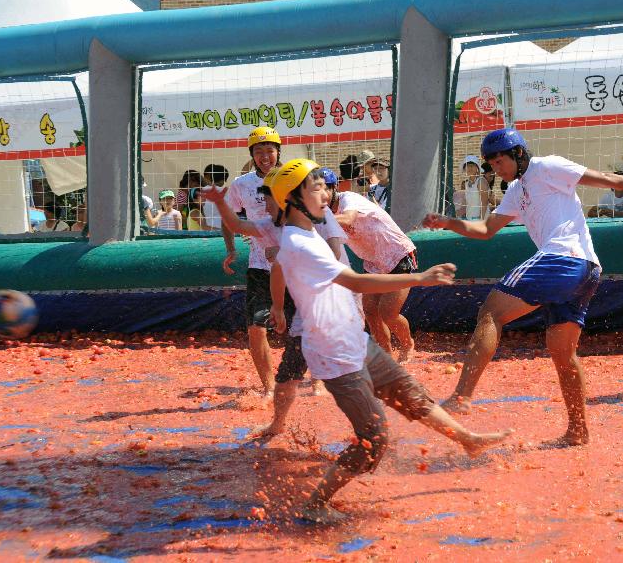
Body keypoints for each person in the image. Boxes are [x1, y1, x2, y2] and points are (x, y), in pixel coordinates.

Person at [258, 158, 513, 524]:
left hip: (353, 338)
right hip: (335, 354)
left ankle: (466, 440)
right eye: (316, 187)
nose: (327, 192)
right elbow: (357, 282)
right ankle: (315, 503)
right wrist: (420, 278)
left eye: (326, 186)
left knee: (409, 392)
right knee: (373, 439)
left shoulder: (306, 231)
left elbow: (294, 252)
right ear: (295, 199)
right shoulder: (301, 242)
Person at [422, 128, 623, 446]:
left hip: (563, 259)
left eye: (499, 161)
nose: (495, 169)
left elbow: (606, 178)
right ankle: (577, 431)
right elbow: (486, 229)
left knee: (491, 312)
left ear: (518, 153)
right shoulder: (516, 190)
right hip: (586, 271)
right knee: (562, 354)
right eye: (491, 164)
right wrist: (448, 222)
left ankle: (461, 396)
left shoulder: (547, 167)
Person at [201, 179, 347, 399]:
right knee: (282, 339)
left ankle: (322, 383)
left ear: (282, 200)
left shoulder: (315, 218)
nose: (264, 206)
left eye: (268, 201)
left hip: (319, 285)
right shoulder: (270, 224)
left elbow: (333, 254)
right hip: (280, 278)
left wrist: (284, 251)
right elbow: (238, 225)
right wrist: (221, 203)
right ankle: (275, 393)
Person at [323, 172, 418, 362]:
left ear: (334, 188)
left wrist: (312, 220)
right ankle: (385, 355)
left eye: (323, 189)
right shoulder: (323, 213)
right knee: (370, 311)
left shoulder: (349, 199)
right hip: (374, 261)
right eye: (313, 191)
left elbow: (348, 219)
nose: (319, 195)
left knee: (388, 313)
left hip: (396, 253)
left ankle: (408, 345)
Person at [222, 126, 284, 401]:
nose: (265, 157)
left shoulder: (295, 176)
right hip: (260, 265)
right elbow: (228, 217)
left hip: (293, 262)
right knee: (256, 327)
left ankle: (317, 381)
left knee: (305, 325)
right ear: (252, 156)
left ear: (278, 152)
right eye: (259, 152)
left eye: (269, 151)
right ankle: (269, 387)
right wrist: (231, 249)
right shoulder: (241, 184)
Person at [459, 155, 489, 220]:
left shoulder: (481, 181)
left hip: (481, 220)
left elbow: (484, 202)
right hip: (469, 219)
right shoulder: (465, 184)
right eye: (467, 165)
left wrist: (481, 220)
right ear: (464, 169)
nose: (470, 167)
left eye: (473, 165)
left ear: (477, 168)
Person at [202, 164, 230, 229]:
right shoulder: (229, 192)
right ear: (223, 180)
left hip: (208, 230)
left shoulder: (203, 191)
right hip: (226, 229)